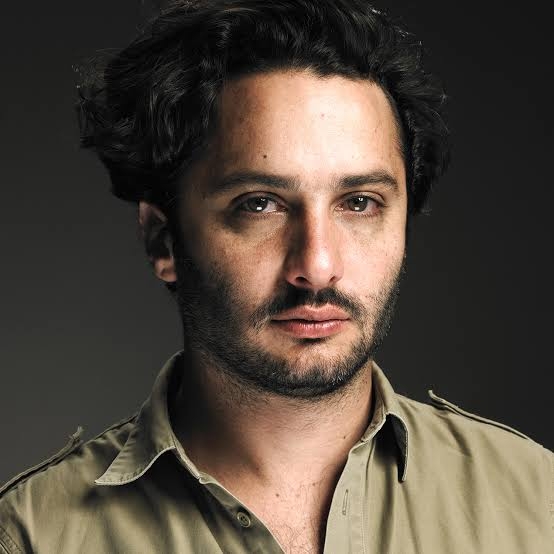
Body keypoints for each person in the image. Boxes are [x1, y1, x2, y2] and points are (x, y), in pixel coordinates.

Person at [1, 0, 551, 552]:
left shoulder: (537, 503)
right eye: (259, 204)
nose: (317, 265)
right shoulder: (31, 536)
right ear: (163, 241)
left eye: (359, 202)